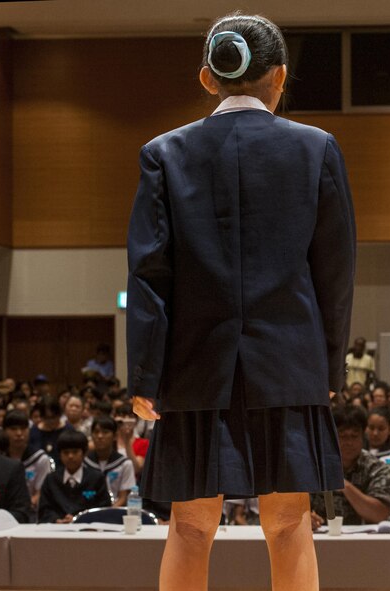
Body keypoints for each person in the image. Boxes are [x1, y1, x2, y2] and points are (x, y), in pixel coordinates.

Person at [127, 13, 355, 591]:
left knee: (190, 526)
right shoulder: (317, 149)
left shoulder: (164, 153)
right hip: (290, 363)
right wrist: (328, 367)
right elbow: (335, 273)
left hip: (193, 365)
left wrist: (145, 377)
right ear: (280, 75)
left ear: (209, 78)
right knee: (289, 523)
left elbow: (150, 275)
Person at [310, 407, 390, 527]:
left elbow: (380, 514)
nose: (349, 443)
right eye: (343, 436)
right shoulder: (314, 467)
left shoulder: (377, 468)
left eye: (354, 436)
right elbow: (293, 510)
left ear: (363, 436)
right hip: (320, 537)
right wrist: (306, 518)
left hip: (365, 541)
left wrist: (344, 485)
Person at [38, 430, 111, 523]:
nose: (70, 456)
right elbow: (44, 509)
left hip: (88, 531)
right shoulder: (51, 479)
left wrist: (78, 519)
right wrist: (56, 520)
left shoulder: (96, 478)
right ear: (60, 454)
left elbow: (103, 509)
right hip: (56, 530)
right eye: (66, 452)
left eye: (75, 452)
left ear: (84, 453)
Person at [3, 409, 52, 509]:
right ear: (4, 431)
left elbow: (41, 493)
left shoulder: (40, 459)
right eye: (13, 429)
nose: (19, 433)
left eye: (23, 428)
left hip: (31, 512)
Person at [85, 415, 136, 507]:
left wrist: (107, 513)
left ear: (115, 436)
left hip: (114, 513)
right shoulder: (84, 463)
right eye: (96, 432)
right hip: (88, 511)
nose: (100, 436)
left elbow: (123, 498)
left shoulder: (125, 464)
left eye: (105, 432)